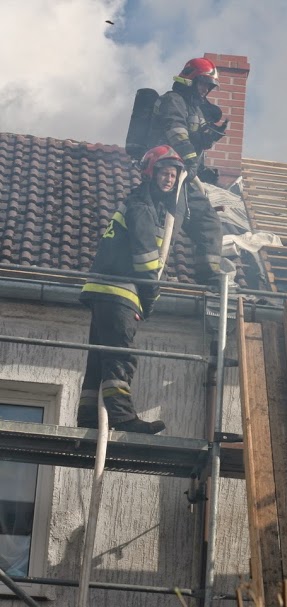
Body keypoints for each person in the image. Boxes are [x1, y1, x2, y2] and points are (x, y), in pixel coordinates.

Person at [76, 146, 186, 434]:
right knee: (120, 355)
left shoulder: (144, 204)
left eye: (174, 175)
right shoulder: (142, 207)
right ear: (151, 172)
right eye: (165, 172)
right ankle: (122, 417)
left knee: (100, 357)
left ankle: (88, 415)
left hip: (104, 292)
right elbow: (147, 261)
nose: (169, 179)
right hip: (120, 292)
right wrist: (150, 298)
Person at [146, 57, 225, 285]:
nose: (205, 90)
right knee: (169, 223)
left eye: (208, 87)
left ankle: (209, 277)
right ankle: (152, 272)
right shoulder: (173, 100)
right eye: (202, 84)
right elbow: (176, 131)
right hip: (167, 175)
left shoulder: (196, 109)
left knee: (209, 222)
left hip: (187, 178)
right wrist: (191, 159)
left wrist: (203, 150)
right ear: (190, 79)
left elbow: (192, 142)